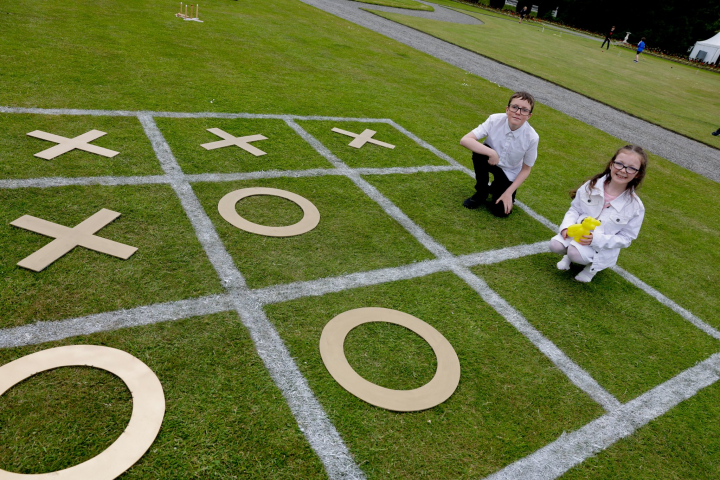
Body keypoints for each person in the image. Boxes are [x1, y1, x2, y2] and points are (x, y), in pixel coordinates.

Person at [549, 145, 647, 282]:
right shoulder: (592, 185)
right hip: (578, 234)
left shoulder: (635, 206)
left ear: (638, 173)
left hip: (601, 247)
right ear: (611, 164)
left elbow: (626, 238)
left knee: (574, 253)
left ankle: (591, 268)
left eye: (631, 168)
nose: (623, 170)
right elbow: (575, 209)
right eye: (619, 164)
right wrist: (566, 227)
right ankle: (568, 257)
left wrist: (596, 239)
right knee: (555, 245)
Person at [460, 91, 539, 217]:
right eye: (514, 107)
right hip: (489, 160)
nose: (518, 112)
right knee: (480, 151)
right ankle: (481, 192)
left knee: (501, 212)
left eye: (524, 110)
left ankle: (497, 188)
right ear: (507, 109)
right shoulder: (494, 119)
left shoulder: (532, 137)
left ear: (529, 115)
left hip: (509, 172)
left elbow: (526, 169)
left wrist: (508, 192)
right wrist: (491, 152)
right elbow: (465, 140)